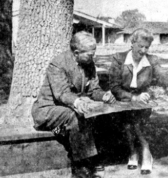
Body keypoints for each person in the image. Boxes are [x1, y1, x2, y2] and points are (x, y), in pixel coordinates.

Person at [108, 28, 168, 175]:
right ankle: (134, 152)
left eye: (146, 47)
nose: (143, 50)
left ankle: (145, 150)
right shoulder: (119, 58)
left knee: (135, 120)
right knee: (128, 121)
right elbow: (114, 87)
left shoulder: (152, 60)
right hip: (123, 98)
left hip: (143, 100)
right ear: (132, 43)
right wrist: (133, 98)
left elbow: (164, 77)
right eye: (140, 46)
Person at [31, 31, 116, 178]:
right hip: (48, 109)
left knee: (103, 113)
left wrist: (104, 96)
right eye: (89, 55)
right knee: (74, 116)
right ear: (76, 53)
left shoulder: (89, 64)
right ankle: (80, 171)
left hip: (70, 107)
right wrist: (77, 102)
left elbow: (93, 90)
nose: (92, 58)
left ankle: (93, 160)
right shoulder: (58, 64)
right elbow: (61, 93)